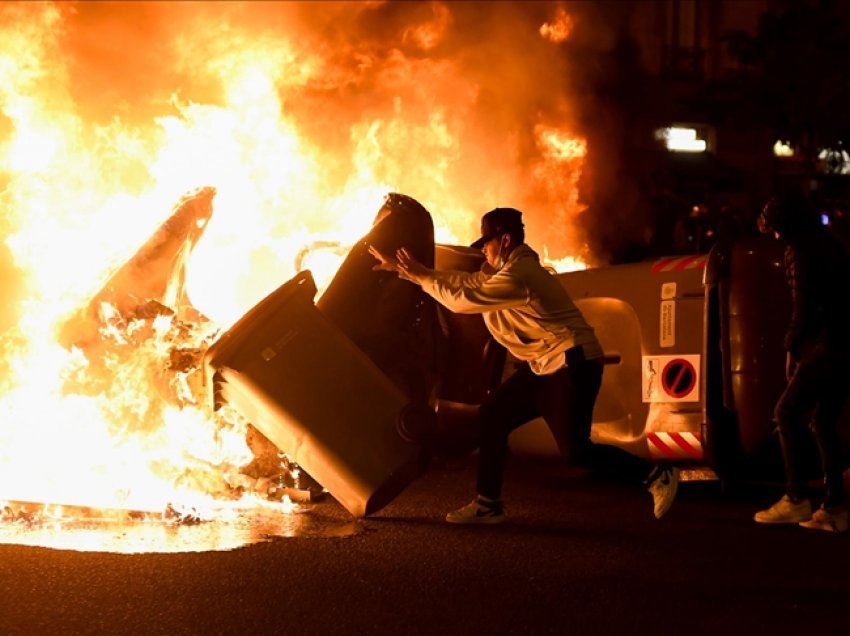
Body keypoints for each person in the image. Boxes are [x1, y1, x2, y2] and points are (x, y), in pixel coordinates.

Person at [370, 207, 679, 524]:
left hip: (572, 365)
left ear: (504, 240)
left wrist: (422, 275)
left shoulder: (521, 276)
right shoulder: (506, 272)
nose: (484, 253)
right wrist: (413, 273)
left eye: (487, 245)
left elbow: (466, 298)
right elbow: (465, 281)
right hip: (545, 367)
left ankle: (657, 474)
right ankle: (488, 504)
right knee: (492, 415)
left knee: (576, 452)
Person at [754, 191, 850, 533]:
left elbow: (804, 308)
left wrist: (791, 348)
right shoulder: (828, 242)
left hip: (832, 345)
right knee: (822, 421)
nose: (774, 236)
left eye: (775, 228)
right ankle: (835, 505)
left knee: (786, 412)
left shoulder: (799, 250)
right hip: (845, 345)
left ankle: (796, 499)